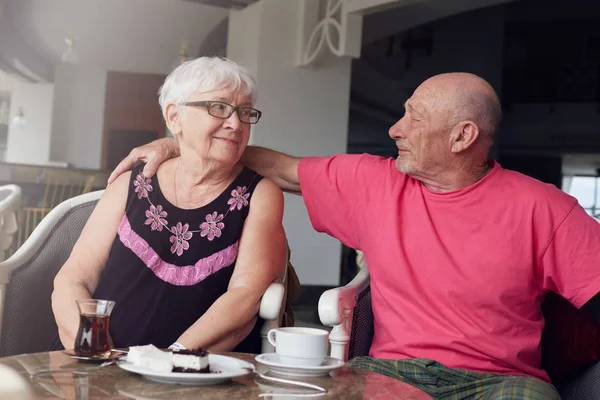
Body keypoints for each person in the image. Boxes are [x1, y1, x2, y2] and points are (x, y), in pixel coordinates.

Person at [109, 72, 600, 399]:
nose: (394, 128)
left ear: (462, 137)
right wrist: (177, 143)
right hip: (393, 374)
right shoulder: (375, 181)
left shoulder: (545, 209)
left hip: (501, 384)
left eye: (414, 117)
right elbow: (276, 167)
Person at [51, 57, 287, 354]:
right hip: (99, 361)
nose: (235, 124)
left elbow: (245, 296)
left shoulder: (260, 194)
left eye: (244, 111)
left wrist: (168, 360)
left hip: (195, 371)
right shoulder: (131, 184)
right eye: (219, 107)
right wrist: (94, 349)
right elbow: (74, 277)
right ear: (174, 117)